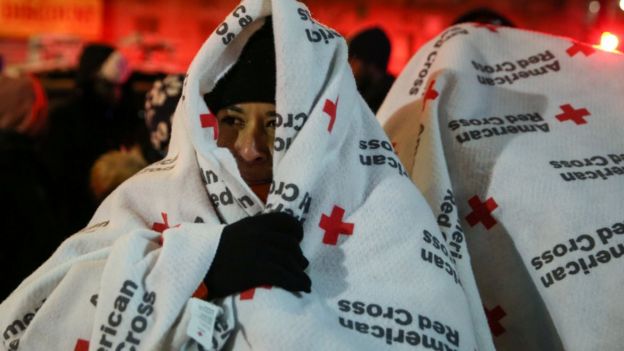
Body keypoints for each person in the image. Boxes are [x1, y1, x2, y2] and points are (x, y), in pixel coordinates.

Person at [0, 4, 493, 351]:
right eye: (231, 120)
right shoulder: (147, 196)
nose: (251, 148)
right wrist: (197, 266)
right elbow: (40, 314)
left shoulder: (386, 211)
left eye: (276, 122)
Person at [38, 43, 134, 235]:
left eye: (120, 87)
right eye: (108, 86)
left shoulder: (122, 117)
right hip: (76, 218)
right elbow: (59, 176)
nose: (116, 94)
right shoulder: (66, 119)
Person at [348, 26, 395, 113]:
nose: (350, 65)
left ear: (370, 63)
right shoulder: (395, 91)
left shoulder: (382, 102)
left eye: (353, 59)